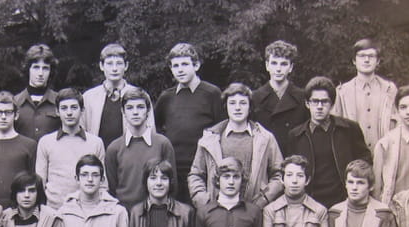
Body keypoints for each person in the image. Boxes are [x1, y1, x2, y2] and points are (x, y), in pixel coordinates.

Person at [188, 82, 283, 209]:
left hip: (253, 210)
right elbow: (196, 175)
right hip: (217, 211)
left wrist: (263, 200)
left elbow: (279, 174)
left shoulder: (265, 138)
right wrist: (205, 203)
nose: (237, 108)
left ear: (250, 107)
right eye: (232, 103)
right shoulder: (210, 138)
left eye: (243, 103)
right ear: (226, 106)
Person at [155, 42, 224, 204]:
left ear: (196, 65)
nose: (180, 70)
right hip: (173, 169)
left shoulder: (212, 93)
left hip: (202, 170)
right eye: (175, 66)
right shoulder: (166, 97)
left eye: (185, 64)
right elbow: (156, 129)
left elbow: (221, 129)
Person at [287, 76, 371, 209]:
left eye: (324, 102)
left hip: (343, 202)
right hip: (309, 203)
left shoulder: (349, 129)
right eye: (315, 101)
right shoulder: (296, 135)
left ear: (332, 104)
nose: (319, 107)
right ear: (307, 104)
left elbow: (365, 162)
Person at [105, 88, 175, 209]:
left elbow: (172, 185)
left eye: (140, 107)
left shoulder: (163, 144)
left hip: (155, 211)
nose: (135, 112)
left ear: (148, 111)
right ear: (123, 111)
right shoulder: (114, 148)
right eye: (130, 108)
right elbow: (112, 188)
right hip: (124, 213)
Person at [35, 88, 105, 209]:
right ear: (57, 111)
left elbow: (102, 185)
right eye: (64, 108)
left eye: (74, 107)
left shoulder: (95, 143)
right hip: (55, 210)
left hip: (86, 211)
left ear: (82, 110)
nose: (69, 113)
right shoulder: (46, 142)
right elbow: (40, 183)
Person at [81, 43, 155, 147]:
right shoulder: (89, 97)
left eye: (119, 63)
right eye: (109, 64)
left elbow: (150, 131)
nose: (114, 68)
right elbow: (81, 133)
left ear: (126, 66)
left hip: (130, 153)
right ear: (101, 66)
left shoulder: (140, 96)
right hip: (97, 154)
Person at [332, 38, 397, 151]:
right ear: (354, 60)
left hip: (384, 153)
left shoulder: (389, 90)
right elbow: (335, 128)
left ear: (378, 61)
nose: (366, 60)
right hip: (353, 155)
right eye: (362, 56)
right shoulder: (342, 92)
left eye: (371, 56)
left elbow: (398, 124)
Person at [251, 40, 309, 155]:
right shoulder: (255, 98)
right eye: (274, 63)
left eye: (283, 64)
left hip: (294, 159)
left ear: (291, 67)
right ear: (267, 66)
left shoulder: (303, 97)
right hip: (265, 158)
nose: (278, 69)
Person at [14, 43, 61, 141]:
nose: (40, 73)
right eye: (36, 67)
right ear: (28, 69)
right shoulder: (15, 102)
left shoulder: (59, 102)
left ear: (50, 71)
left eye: (45, 68)